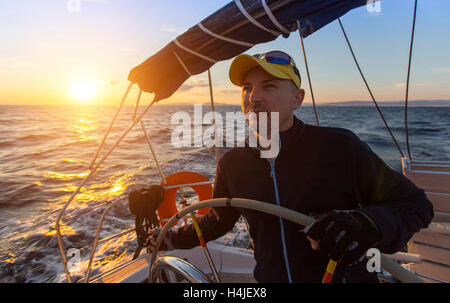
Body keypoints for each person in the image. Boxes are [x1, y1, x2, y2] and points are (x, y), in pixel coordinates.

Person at [149, 51, 433, 283]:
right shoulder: (233, 163)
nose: (253, 97)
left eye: (269, 86)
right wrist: (169, 239)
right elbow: (217, 221)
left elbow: (416, 205)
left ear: (297, 98)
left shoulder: (339, 147)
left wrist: (367, 225)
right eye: (248, 88)